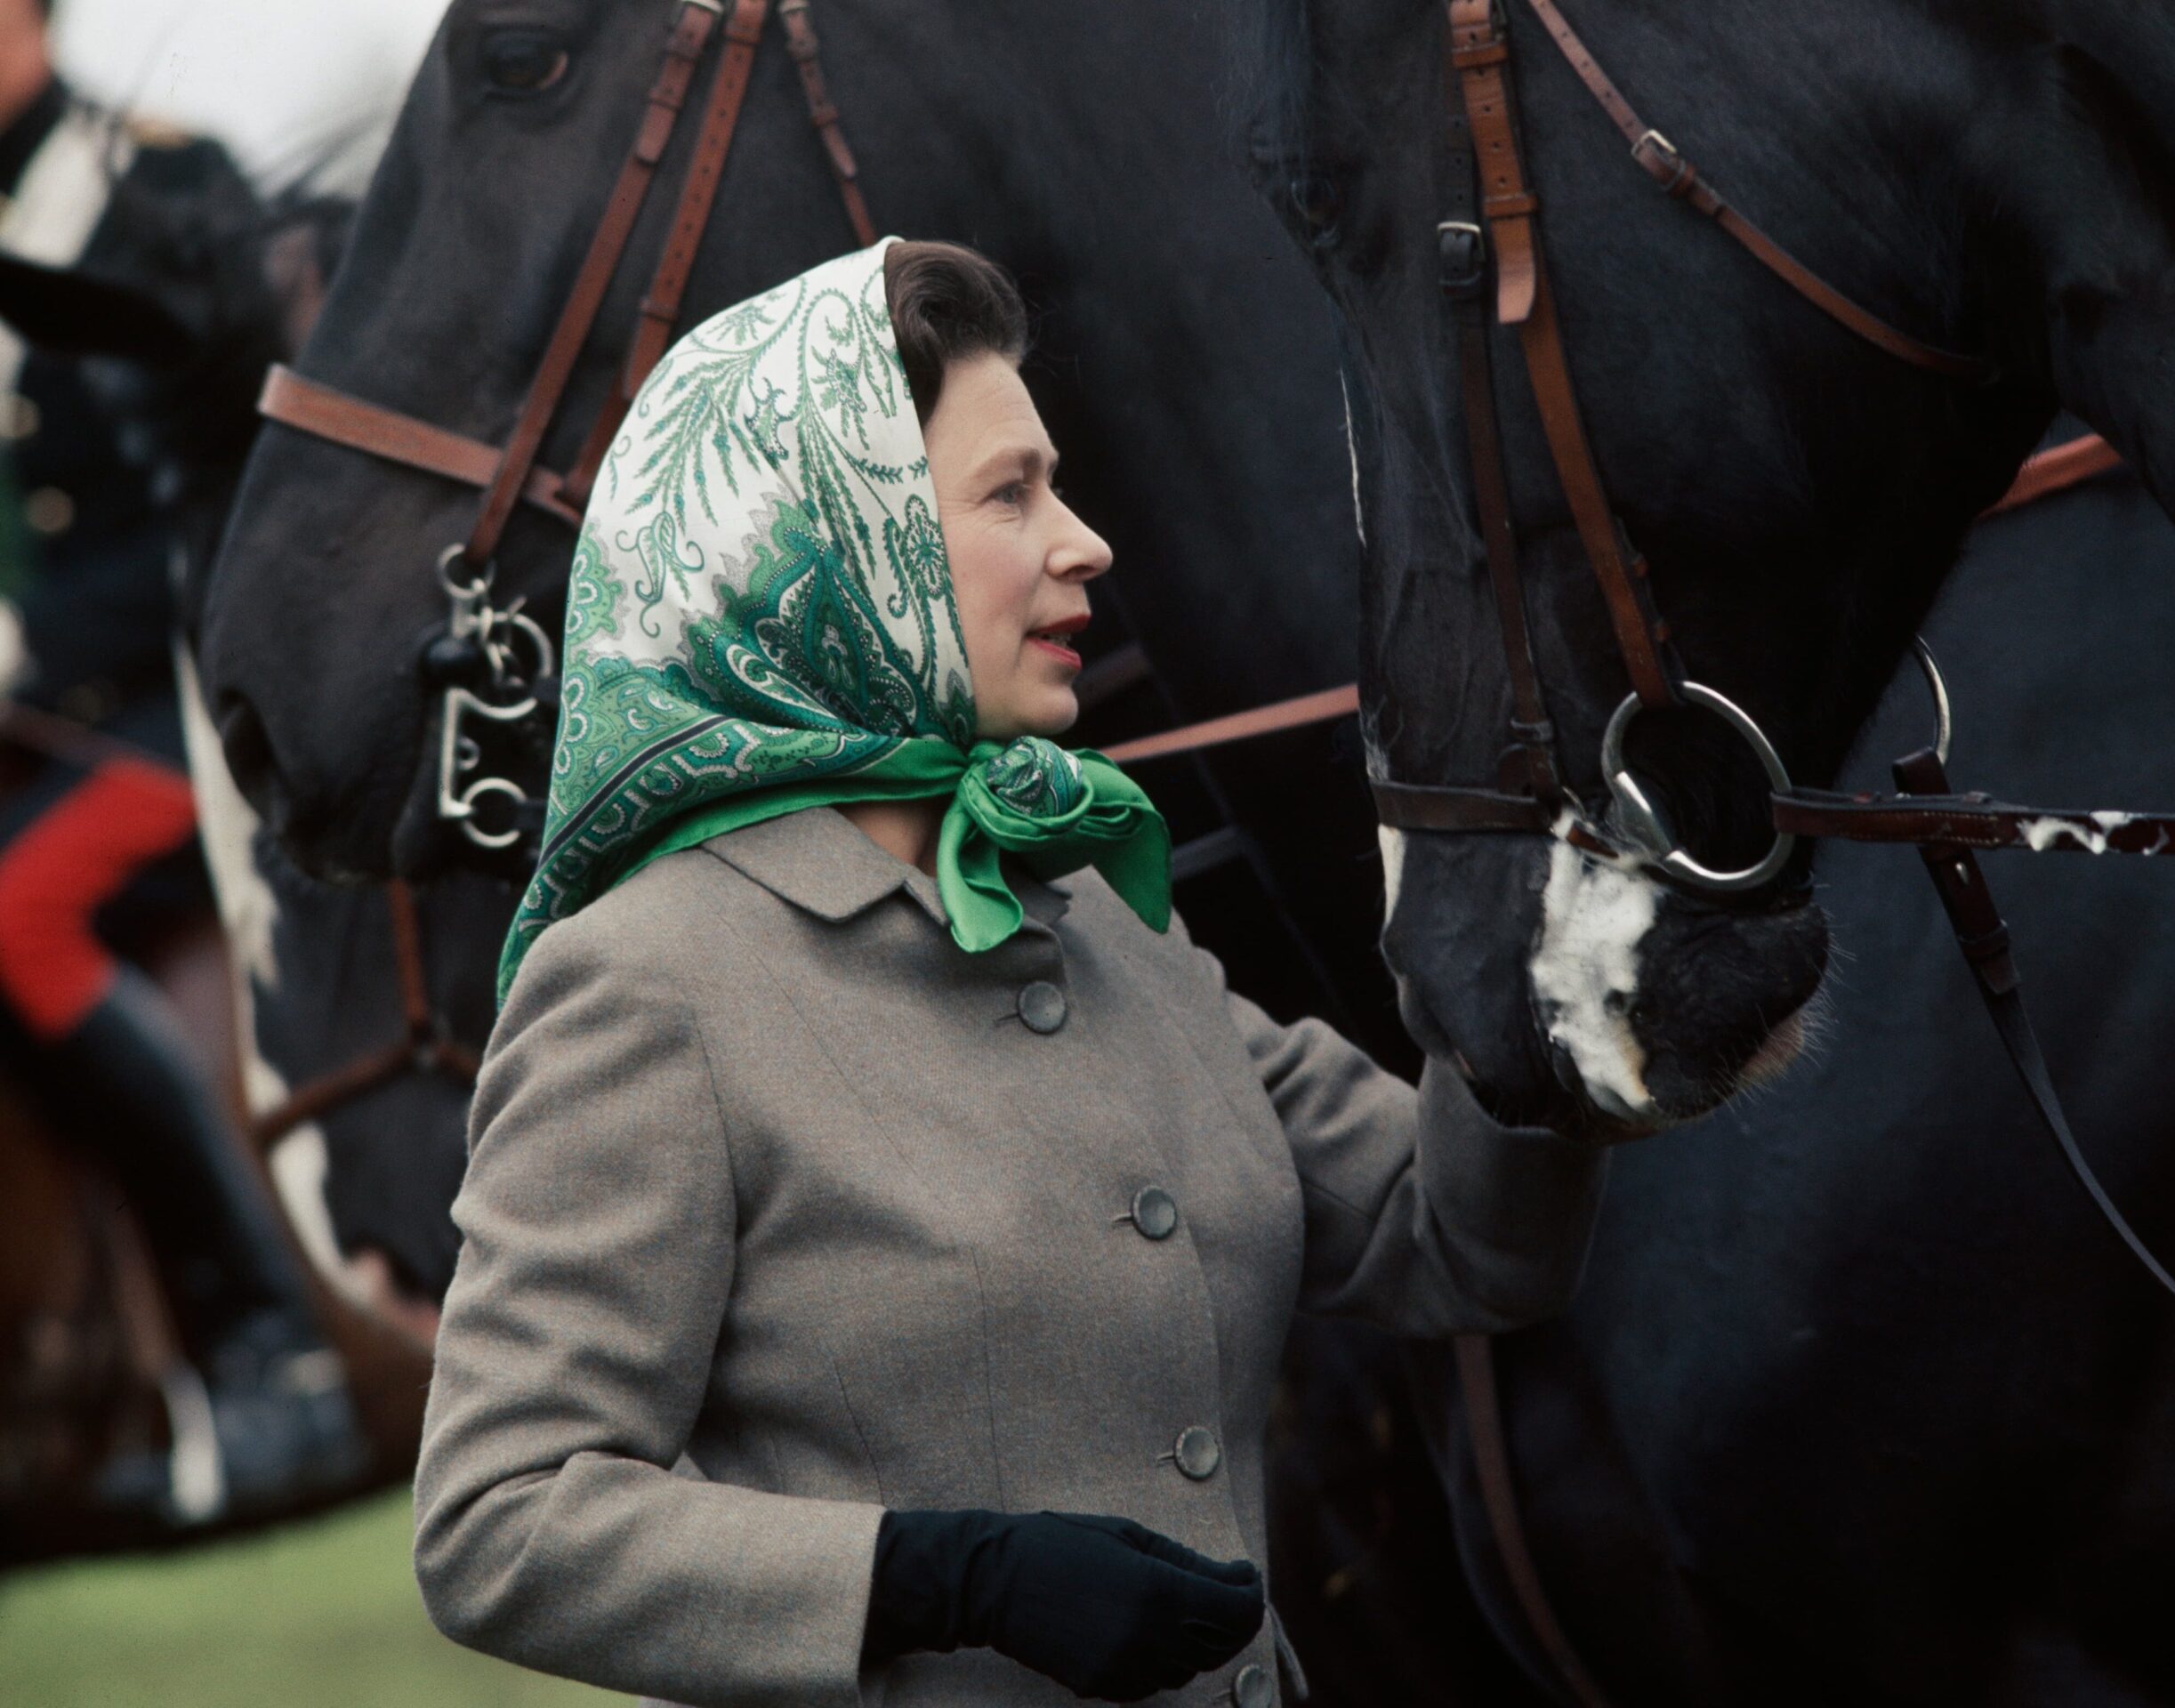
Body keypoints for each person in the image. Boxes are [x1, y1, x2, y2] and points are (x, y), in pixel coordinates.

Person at [414, 239, 1611, 1706]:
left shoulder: (1103, 914)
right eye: (1009, 493)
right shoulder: (647, 985)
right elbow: (498, 1521)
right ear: (835, 549)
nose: (1085, 538)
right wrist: (937, 1577)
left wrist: (1553, 974)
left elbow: (1461, 1241)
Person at [0, 0, 363, 1524]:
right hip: (42, 714)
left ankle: (274, 1351)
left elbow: (241, 480)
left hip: (168, 697)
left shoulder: (151, 188)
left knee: (13, 915)